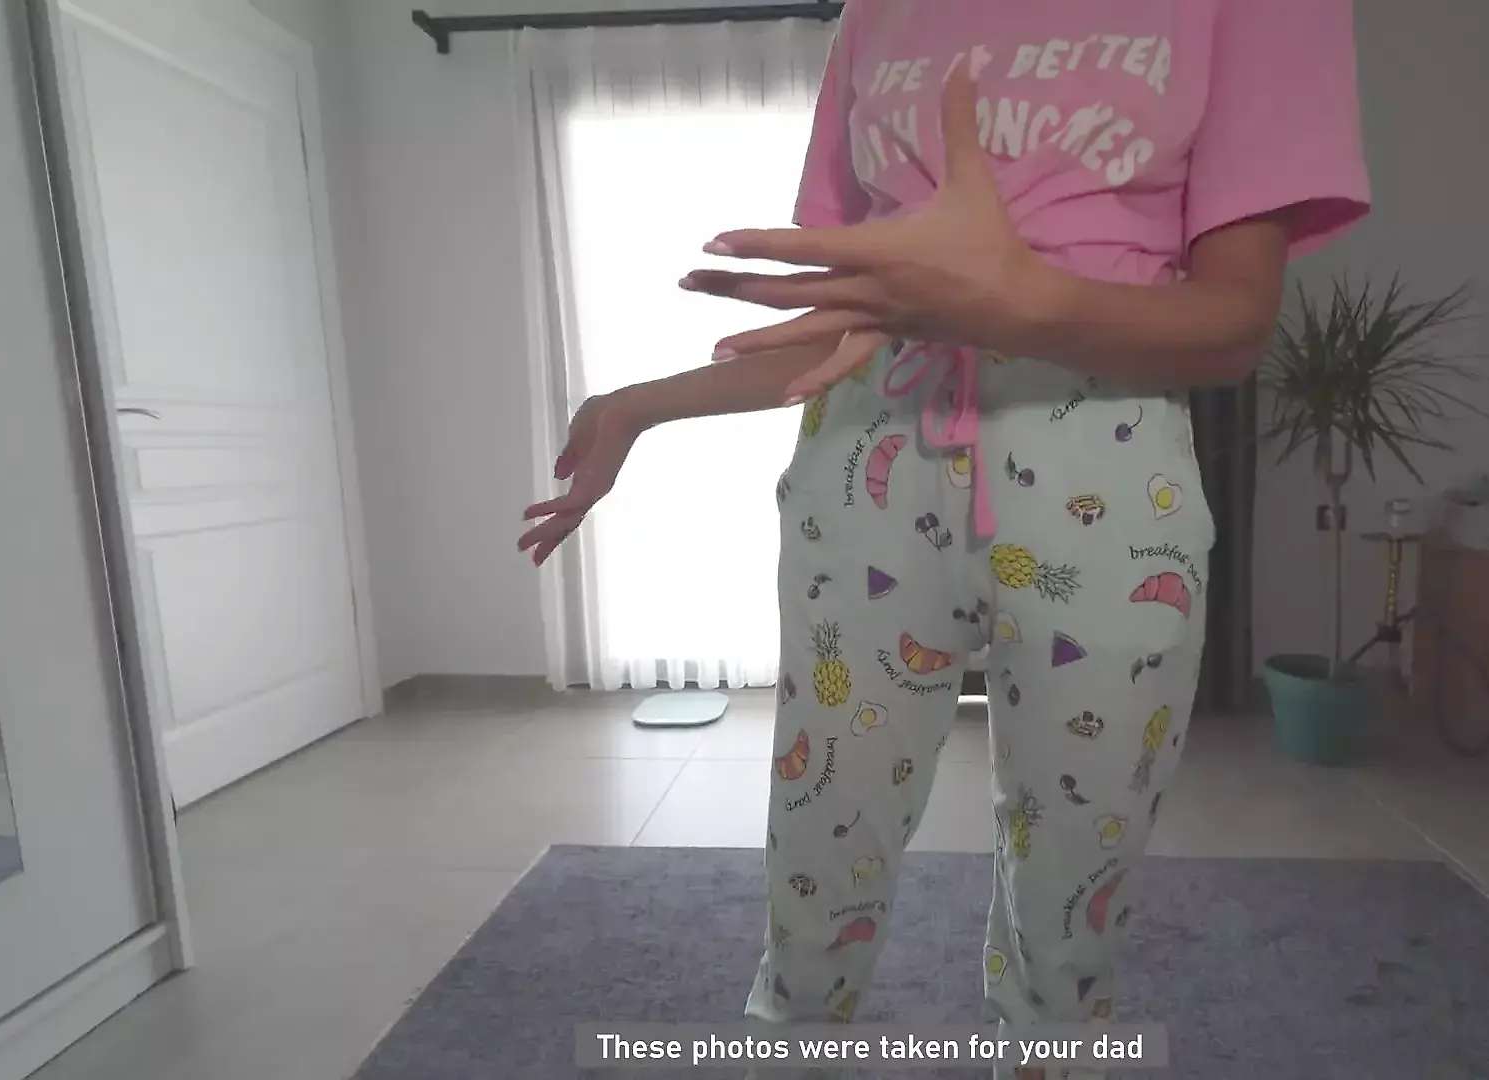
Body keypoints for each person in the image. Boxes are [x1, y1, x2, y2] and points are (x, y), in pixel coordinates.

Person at [521, 1, 1369, 1075]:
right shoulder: (876, 14)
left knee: (1075, 884)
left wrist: (1019, 300)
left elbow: (1237, 321)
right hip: (867, 458)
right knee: (821, 846)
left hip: (1104, 466)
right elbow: (849, 322)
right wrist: (641, 404)